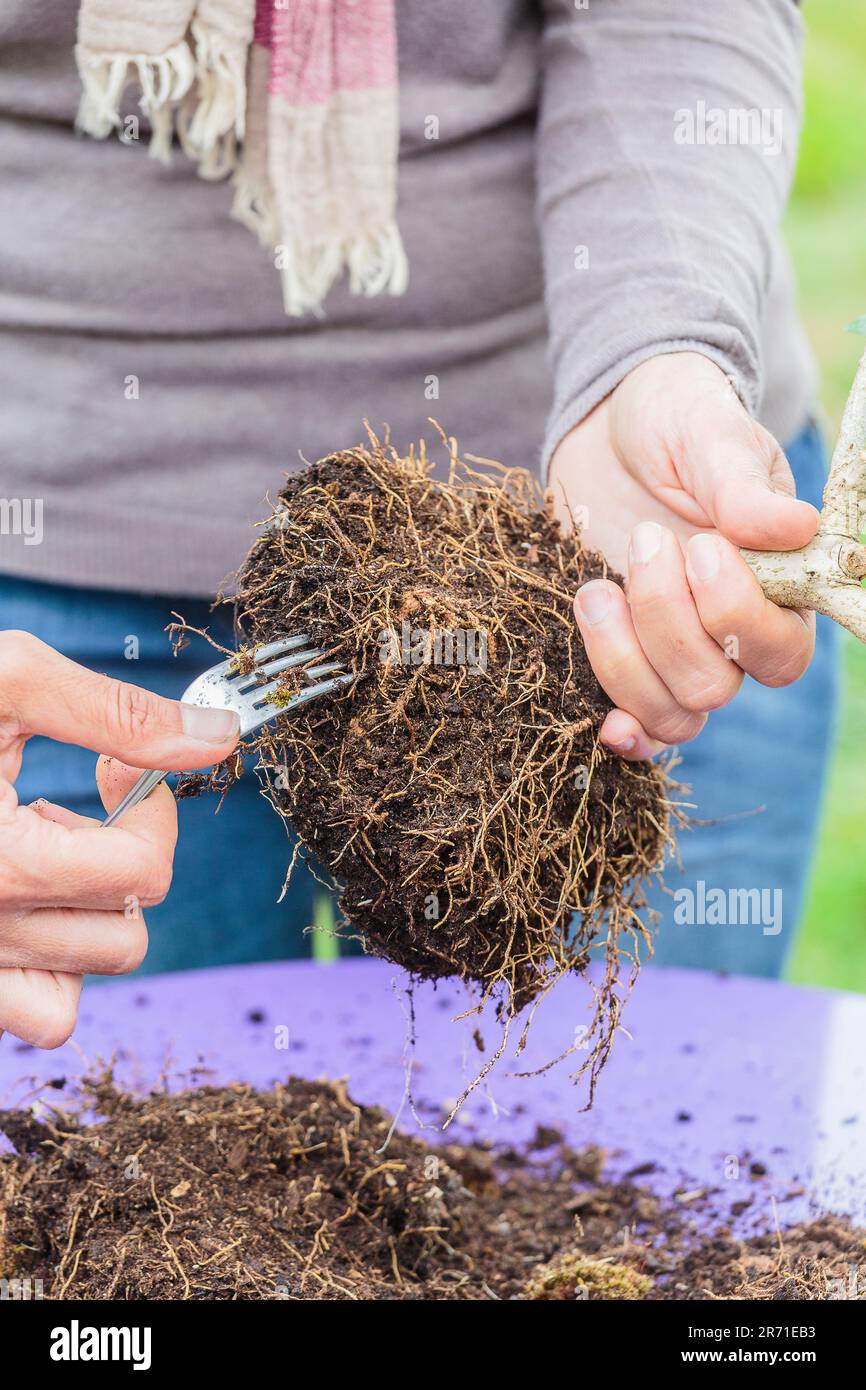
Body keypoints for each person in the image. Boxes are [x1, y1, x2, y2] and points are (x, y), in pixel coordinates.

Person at [0, 0, 836, 1049]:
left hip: (621, 557)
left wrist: (650, 349)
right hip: (44, 602)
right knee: (114, 1157)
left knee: (609, 1167)